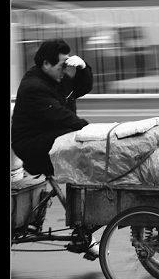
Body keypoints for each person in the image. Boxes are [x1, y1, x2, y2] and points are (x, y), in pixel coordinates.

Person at [11, 38, 98, 260]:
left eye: (67, 65)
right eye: (62, 66)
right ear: (46, 64)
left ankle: (84, 226)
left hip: (50, 137)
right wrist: (88, 130)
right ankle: (82, 227)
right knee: (79, 150)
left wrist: (83, 68)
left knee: (80, 151)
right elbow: (60, 115)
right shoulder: (34, 87)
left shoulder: (56, 78)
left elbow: (82, 87)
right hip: (32, 145)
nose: (65, 70)